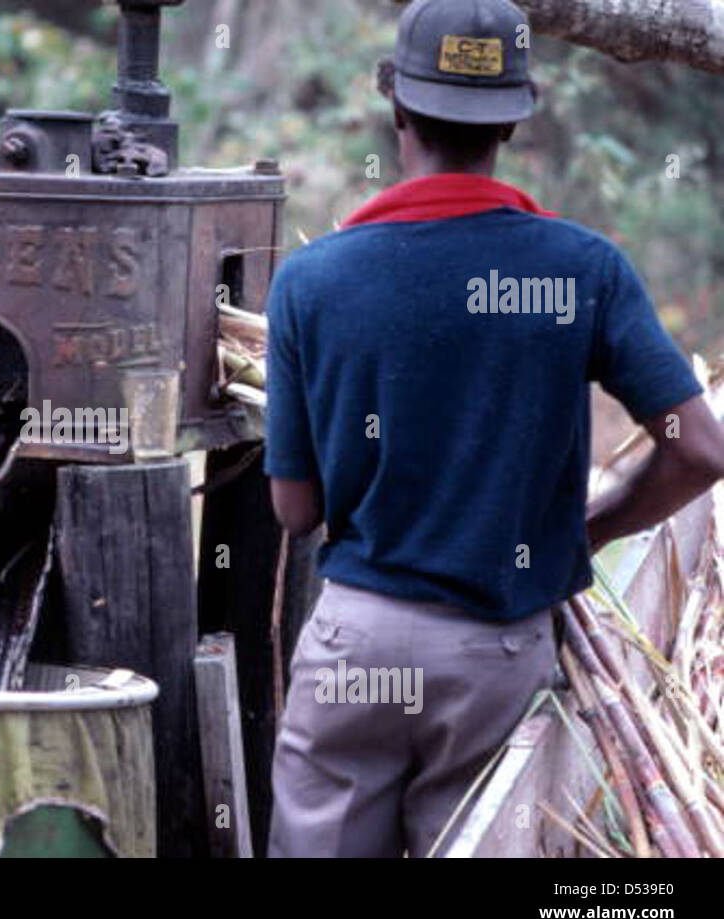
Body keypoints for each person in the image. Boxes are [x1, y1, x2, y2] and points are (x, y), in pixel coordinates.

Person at [264, 0, 724, 858]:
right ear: (514, 119)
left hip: (358, 644)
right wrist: (585, 528)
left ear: (395, 105)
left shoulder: (314, 281)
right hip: (496, 653)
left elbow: (295, 510)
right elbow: (699, 448)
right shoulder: (583, 269)